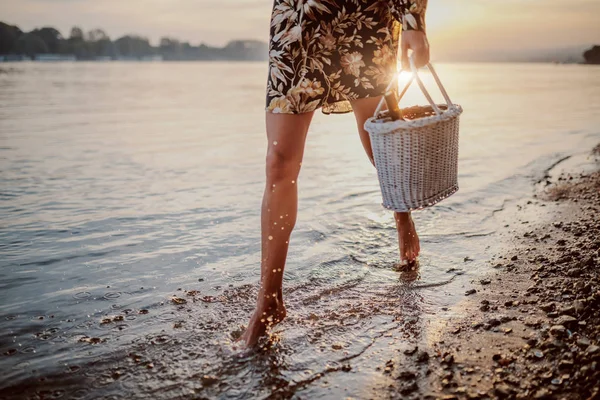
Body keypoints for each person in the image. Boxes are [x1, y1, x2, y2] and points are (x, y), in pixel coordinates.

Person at [240, 0, 430, 347]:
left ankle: (403, 215)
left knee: (378, 137)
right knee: (279, 160)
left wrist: (413, 22)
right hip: (297, 23)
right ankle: (269, 298)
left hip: (363, 18)